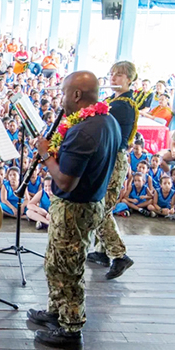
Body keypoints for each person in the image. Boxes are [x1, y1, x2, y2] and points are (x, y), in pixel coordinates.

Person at [28, 71, 122, 347]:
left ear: (77, 95)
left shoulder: (83, 131)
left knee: (68, 269)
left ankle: (70, 329)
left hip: (75, 208)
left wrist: (45, 154)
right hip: (87, 204)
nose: (61, 98)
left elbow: (66, 181)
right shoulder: (108, 121)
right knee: (56, 264)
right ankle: (56, 312)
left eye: (64, 92)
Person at [86, 61, 136, 279]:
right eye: (112, 74)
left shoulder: (122, 105)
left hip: (113, 159)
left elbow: (99, 123)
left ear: (129, 79)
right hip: (108, 156)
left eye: (119, 76)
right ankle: (102, 252)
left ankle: (119, 254)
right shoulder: (113, 101)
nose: (113, 79)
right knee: (101, 205)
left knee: (100, 208)